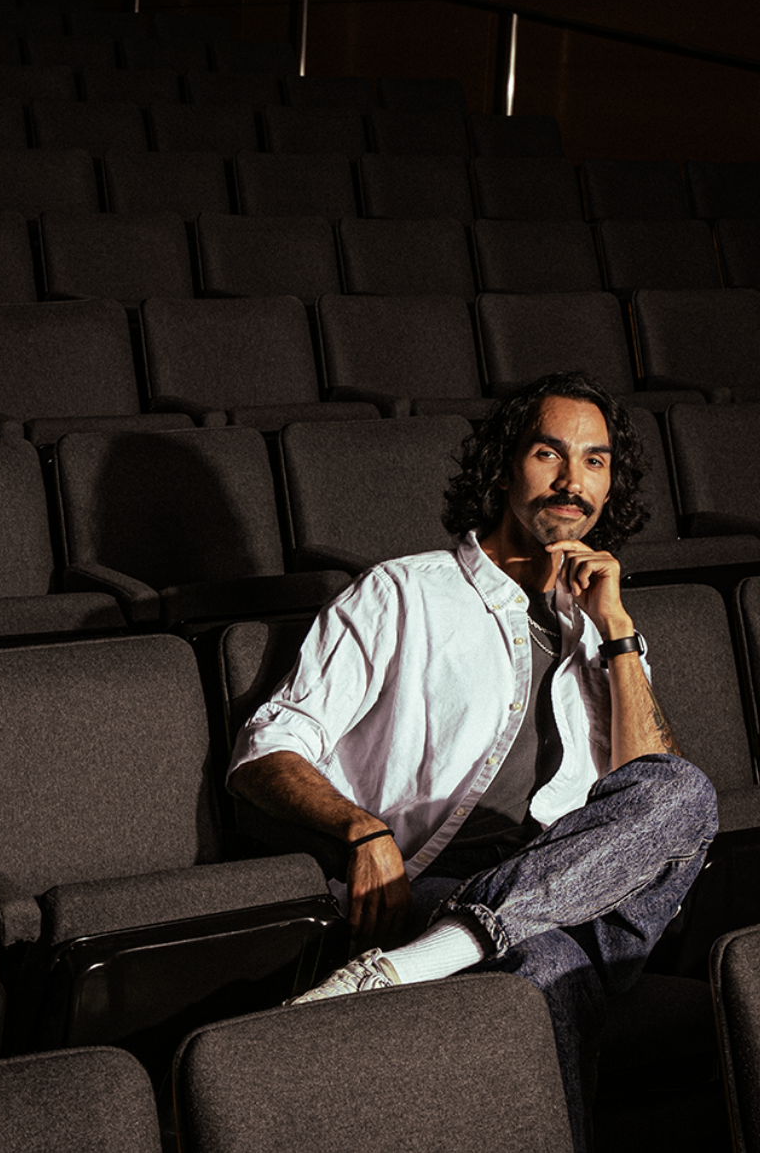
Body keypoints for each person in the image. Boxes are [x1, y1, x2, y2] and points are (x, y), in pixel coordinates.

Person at [228, 371, 716, 1150]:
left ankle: (430, 961)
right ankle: (463, 941)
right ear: (503, 467)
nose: (573, 481)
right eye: (549, 454)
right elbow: (267, 747)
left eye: (594, 461)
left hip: (589, 888)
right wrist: (361, 829)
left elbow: (654, 792)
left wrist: (616, 630)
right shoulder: (401, 594)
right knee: (546, 965)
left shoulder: (602, 626)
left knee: (687, 792)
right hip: (436, 883)